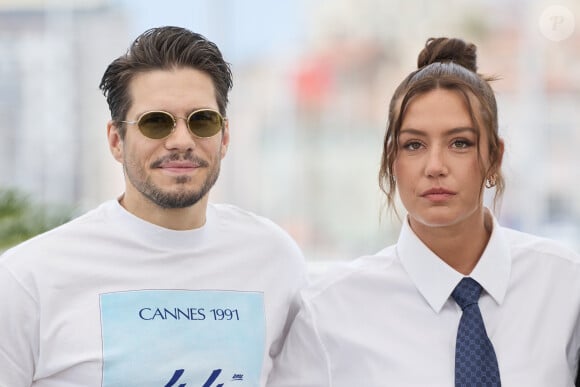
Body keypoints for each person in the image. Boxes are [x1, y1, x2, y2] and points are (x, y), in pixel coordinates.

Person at [0, 26, 307, 386]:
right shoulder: (29, 278)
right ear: (117, 140)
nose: (181, 140)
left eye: (202, 121)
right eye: (156, 122)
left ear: (224, 137)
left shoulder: (273, 258)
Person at [267, 37, 580, 386]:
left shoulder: (565, 286)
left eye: (460, 143)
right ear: (392, 161)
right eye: (414, 145)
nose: (435, 166)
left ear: (494, 157)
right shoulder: (328, 312)